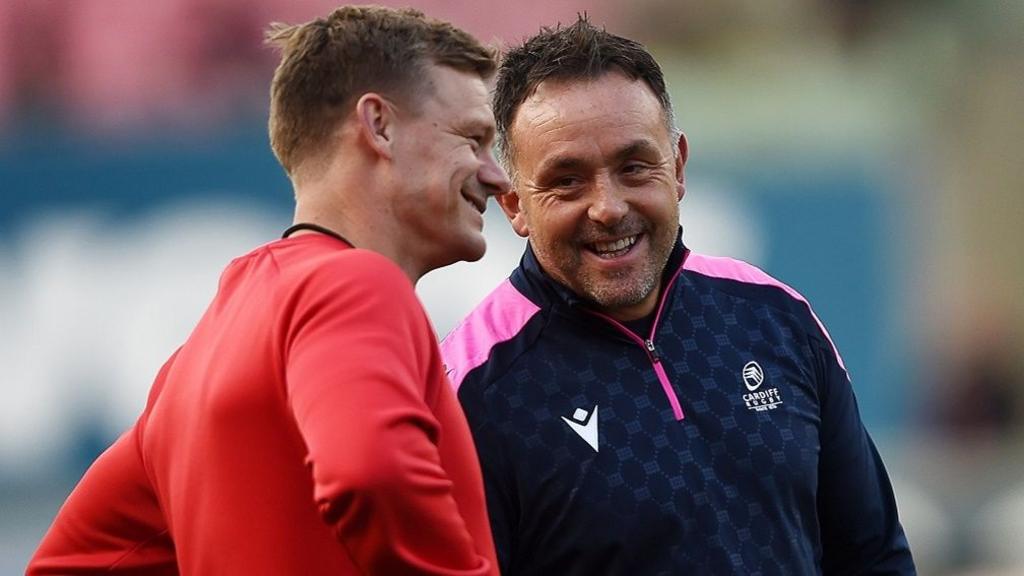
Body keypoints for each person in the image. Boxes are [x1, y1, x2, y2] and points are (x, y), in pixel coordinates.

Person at [28, 6, 510, 575]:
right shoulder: (352, 282)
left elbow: (69, 564)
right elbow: (370, 473)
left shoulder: (195, 359)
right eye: (473, 139)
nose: (496, 174)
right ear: (378, 126)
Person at [441, 17, 915, 575]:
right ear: (514, 205)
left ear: (679, 166)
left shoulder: (777, 317)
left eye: (634, 167)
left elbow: (873, 555)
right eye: (567, 180)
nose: (608, 207)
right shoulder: (469, 392)